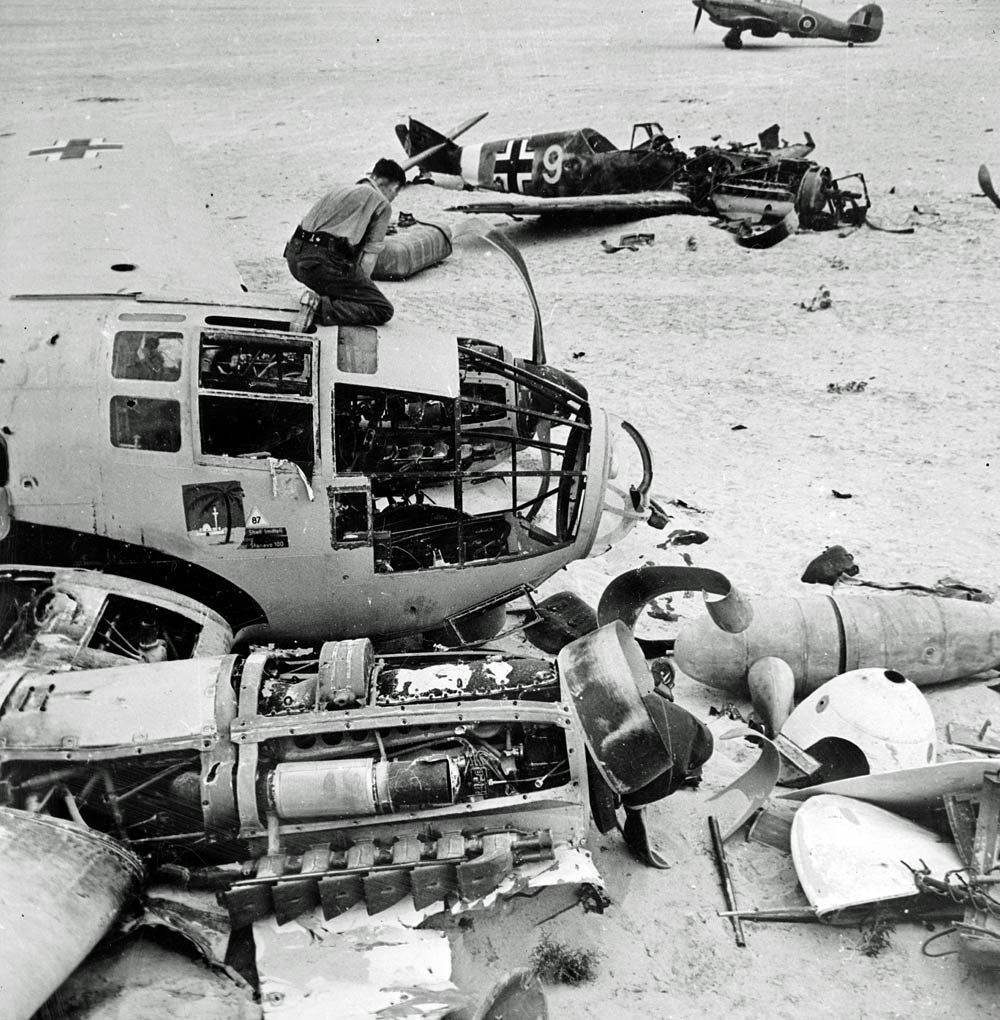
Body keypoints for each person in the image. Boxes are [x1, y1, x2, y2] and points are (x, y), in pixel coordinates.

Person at [284, 158, 406, 327]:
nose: (394, 198)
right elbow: (368, 259)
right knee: (382, 309)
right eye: (396, 192)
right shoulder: (381, 203)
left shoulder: (341, 189)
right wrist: (361, 291)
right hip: (320, 265)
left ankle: (319, 302)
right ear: (388, 184)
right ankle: (319, 307)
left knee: (341, 276)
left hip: (294, 258)